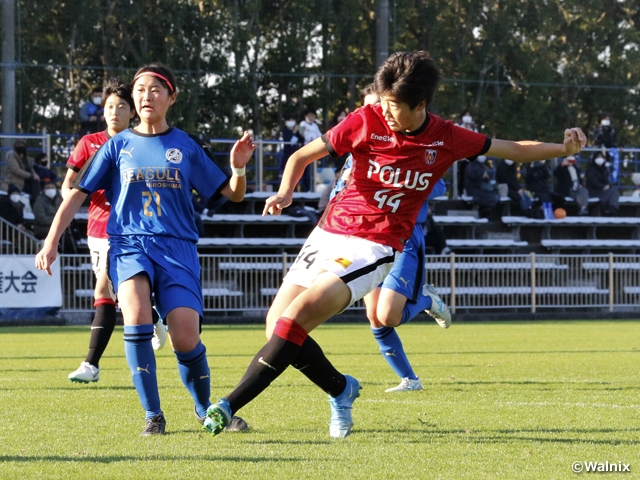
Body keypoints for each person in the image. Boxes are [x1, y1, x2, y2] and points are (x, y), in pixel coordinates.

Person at [201, 51, 586, 438]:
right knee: (277, 328)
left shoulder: (446, 137)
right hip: (328, 232)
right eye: (383, 102)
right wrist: (285, 192)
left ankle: (228, 404)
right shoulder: (365, 120)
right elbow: (303, 155)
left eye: (393, 105)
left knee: (295, 318)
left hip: (375, 245)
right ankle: (341, 388)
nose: (385, 111)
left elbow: (515, 149)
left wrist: (563, 149)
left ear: (420, 105)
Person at [35, 63, 256, 436]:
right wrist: (51, 239)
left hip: (177, 247)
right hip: (129, 245)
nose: (146, 96)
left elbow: (232, 195)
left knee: (185, 336)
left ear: (172, 97)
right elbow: (77, 193)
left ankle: (205, 410)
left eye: (155, 89)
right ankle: (153, 416)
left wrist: (238, 169)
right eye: (139, 90)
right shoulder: (116, 146)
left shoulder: (185, 145)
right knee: (136, 319)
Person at [329, 84, 450, 393]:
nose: (376, 114)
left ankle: (426, 299)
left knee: (388, 314)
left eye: (382, 107)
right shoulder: (357, 150)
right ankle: (410, 379)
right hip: (366, 237)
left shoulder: (410, 149)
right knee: (375, 316)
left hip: (402, 236)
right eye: (369, 108)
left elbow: (438, 185)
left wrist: (404, 190)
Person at [63, 78, 141, 384]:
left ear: (132, 112)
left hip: (129, 227)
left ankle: (91, 364)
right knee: (116, 293)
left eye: (122, 106)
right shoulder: (89, 143)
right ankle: (156, 315)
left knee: (103, 291)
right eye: (110, 106)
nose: (115, 111)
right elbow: (68, 186)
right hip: (96, 229)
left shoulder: (140, 142)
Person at [298, 108, 322, 191]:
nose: (311, 117)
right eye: (309, 115)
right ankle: (305, 189)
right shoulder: (302, 124)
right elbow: (300, 133)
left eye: (312, 116)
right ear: (306, 116)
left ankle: (312, 188)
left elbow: (320, 135)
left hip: (314, 148)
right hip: (305, 147)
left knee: (313, 170)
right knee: (306, 170)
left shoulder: (315, 125)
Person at [277, 115, 304, 180]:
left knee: (296, 174)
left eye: (293, 120)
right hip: (287, 154)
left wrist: (301, 132)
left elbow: (301, 139)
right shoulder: (284, 131)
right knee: (286, 173)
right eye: (289, 120)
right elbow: (290, 141)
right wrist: (294, 132)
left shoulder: (297, 130)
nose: (291, 122)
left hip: (296, 153)